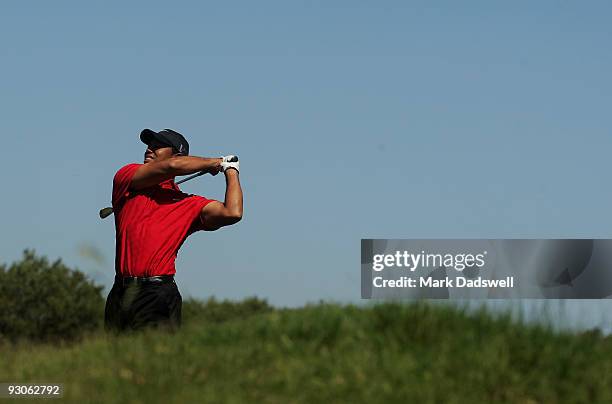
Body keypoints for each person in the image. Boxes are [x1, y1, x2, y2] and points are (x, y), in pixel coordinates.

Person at [104, 128, 242, 332]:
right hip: (120, 292)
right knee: (113, 361)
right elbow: (170, 166)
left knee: (153, 362)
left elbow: (232, 212)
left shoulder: (187, 203)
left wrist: (231, 171)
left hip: (157, 293)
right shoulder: (127, 178)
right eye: (149, 144)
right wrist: (216, 161)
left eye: (158, 146)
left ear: (177, 154)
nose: (150, 149)